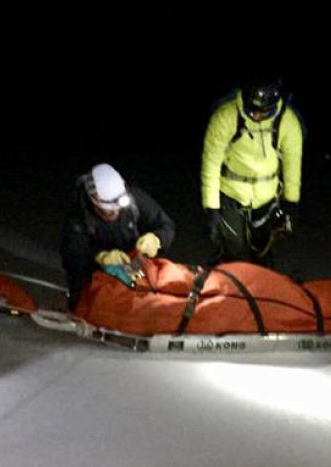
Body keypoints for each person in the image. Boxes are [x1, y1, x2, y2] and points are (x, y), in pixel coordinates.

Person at [200, 78, 304, 268]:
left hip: (267, 197)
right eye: (251, 110)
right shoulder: (225, 116)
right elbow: (211, 165)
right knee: (235, 251)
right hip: (231, 194)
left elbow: (292, 165)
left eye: (262, 112)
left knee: (262, 250)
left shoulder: (288, 121)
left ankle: (262, 288)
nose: (256, 115)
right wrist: (211, 208)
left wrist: (291, 203)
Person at [60, 164, 175, 309]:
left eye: (117, 210)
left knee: (161, 294)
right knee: (100, 306)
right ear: (94, 202)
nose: (113, 214)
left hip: (134, 268)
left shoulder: (134, 200)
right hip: (96, 278)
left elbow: (166, 225)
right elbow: (72, 258)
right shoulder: (78, 218)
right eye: (107, 211)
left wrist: (157, 239)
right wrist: (100, 258)